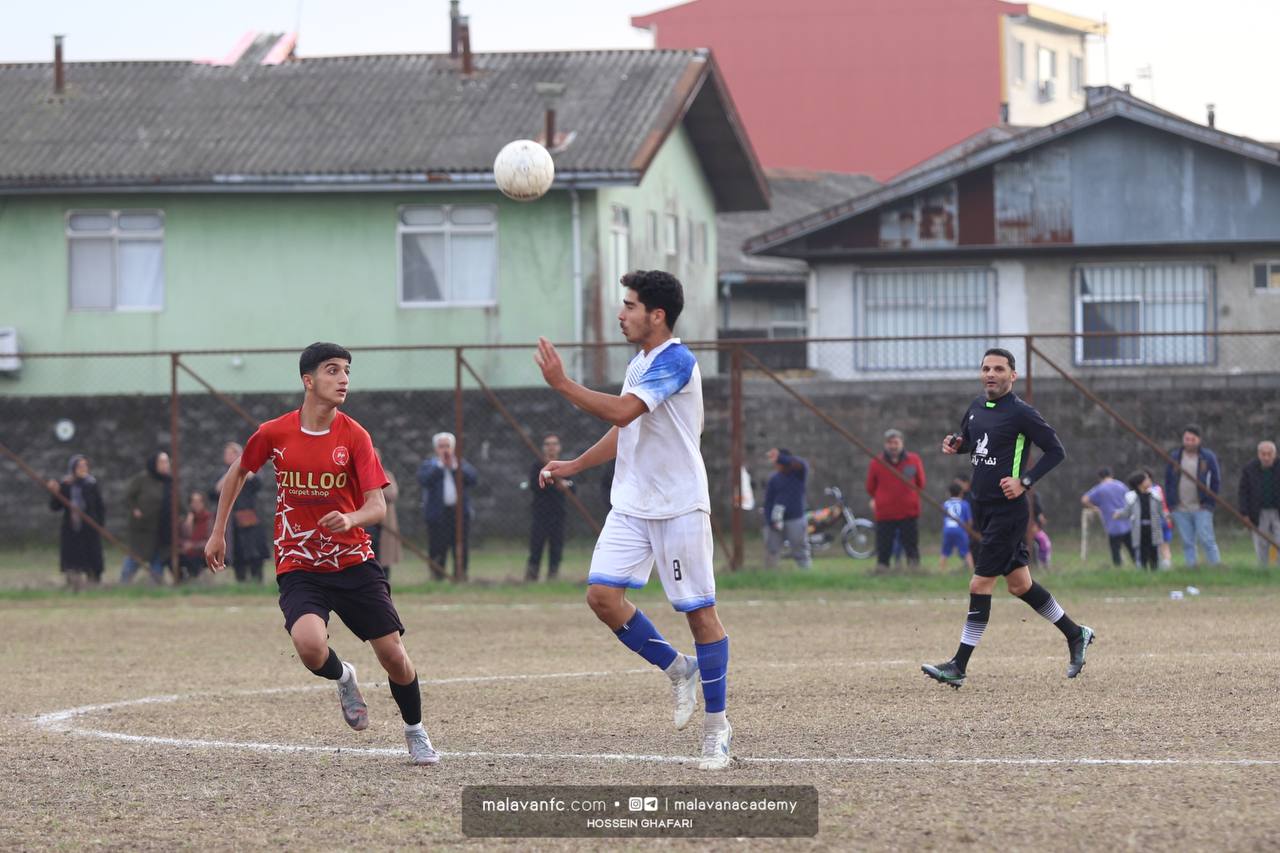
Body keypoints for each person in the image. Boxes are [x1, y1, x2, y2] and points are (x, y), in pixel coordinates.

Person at [534, 269, 733, 771]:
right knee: (602, 596)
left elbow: (622, 412)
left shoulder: (676, 361)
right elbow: (629, 430)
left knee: (699, 614)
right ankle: (677, 668)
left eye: (629, 306)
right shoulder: (640, 363)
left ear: (656, 314)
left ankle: (717, 729)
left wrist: (561, 384)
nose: (621, 315)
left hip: (679, 505)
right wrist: (575, 464)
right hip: (631, 503)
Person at [205, 342, 441, 766]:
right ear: (308, 380)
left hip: (353, 563)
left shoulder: (355, 435)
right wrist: (217, 531)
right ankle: (344, 675)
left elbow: (377, 505)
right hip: (299, 565)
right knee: (310, 646)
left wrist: (350, 520)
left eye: (347, 370)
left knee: (394, 657)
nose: (344, 379)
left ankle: (415, 730)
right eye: (333, 370)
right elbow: (239, 471)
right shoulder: (275, 432)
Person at [923, 348, 1093, 688]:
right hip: (982, 507)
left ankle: (958, 665)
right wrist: (957, 445)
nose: (991, 373)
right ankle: (1076, 633)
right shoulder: (975, 407)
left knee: (979, 584)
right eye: (986, 367)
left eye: (999, 369)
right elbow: (975, 444)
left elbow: (1056, 450)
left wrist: (1025, 481)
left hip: (1008, 511)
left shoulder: (1021, 413)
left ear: (1012, 376)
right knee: (1020, 585)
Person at [417, 432, 478, 581]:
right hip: (438, 513)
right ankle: (438, 574)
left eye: (448, 446)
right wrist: (440, 467)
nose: (445, 450)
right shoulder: (430, 465)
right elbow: (424, 480)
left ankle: (461, 574)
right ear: (436, 449)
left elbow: (473, 479)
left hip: (458, 513)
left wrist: (454, 468)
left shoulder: (461, 464)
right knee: (437, 545)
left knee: (460, 545)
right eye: (441, 446)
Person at [865, 428, 925, 572]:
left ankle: (914, 568)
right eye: (890, 443)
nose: (893, 446)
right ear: (885, 444)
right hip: (885, 513)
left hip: (908, 511)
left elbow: (921, 483)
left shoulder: (914, 460)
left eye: (896, 442)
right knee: (884, 544)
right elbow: (870, 486)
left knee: (911, 543)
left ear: (902, 443)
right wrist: (881, 499)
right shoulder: (876, 462)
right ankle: (882, 569)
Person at [1163, 425, 1222, 567]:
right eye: (1186, 439)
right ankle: (1191, 567)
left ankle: (1215, 566)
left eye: (1192, 439)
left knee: (1206, 539)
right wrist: (1172, 504)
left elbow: (1215, 480)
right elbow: (1168, 480)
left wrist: (1209, 502)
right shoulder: (1175, 457)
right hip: (1180, 507)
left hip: (1201, 506)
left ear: (1199, 440)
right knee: (1187, 541)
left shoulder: (1207, 457)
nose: (1189, 442)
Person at [212, 441, 269, 583]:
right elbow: (215, 491)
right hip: (232, 520)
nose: (229, 456)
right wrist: (231, 471)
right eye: (227, 454)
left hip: (251, 518)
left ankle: (257, 580)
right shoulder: (221, 473)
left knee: (255, 551)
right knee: (238, 552)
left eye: (233, 454)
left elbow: (257, 483)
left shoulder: (251, 470)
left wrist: (242, 465)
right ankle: (241, 580)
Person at [46, 454, 105, 589]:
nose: (83, 468)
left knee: (93, 557)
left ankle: (94, 582)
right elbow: (55, 507)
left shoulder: (91, 484)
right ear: (73, 468)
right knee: (73, 559)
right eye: (79, 466)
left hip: (90, 528)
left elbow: (100, 507)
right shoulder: (66, 485)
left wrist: (99, 525)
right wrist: (55, 493)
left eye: (85, 466)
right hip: (72, 528)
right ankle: (74, 584)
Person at [526, 433, 574, 581]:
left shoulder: (565, 465)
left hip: (558, 511)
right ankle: (532, 575)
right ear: (543, 447)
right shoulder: (538, 465)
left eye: (554, 444)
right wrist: (554, 484)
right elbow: (534, 485)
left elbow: (573, 486)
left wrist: (566, 485)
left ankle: (553, 574)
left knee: (556, 544)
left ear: (559, 447)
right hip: (540, 512)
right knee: (537, 543)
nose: (551, 447)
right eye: (547, 444)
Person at [120, 451, 171, 585]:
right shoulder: (142, 479)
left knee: (157, 557)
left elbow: (176, 502)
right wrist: (135, 510)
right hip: (142, 529)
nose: (165, 465)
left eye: (166, 462)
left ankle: (156, 584)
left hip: (161, 529)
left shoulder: (169, 482)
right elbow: (128, 497)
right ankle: (124, 583)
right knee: (135, 556)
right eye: (162, 462)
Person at [762, 447, 811, 570]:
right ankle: (770, 574)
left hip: (795, 518)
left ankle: (805, 573)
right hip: (776, 519)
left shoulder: (799, 474)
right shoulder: (774, 479)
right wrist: (770, 520)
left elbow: (801, 463)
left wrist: (780, 457)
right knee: (772, 549)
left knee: (800, 549)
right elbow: (768, 502)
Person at [1238, 440, 1280, 566]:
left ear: (1275, 454)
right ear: (1258, 454)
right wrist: (1244, 513)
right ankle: (1263, 570)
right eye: (1263, 454)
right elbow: (1243, 492)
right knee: (1261, 543)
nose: (1266, 457)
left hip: (1278, 512)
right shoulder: (1249, 469)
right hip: (1258, 513)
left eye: (1269, 454)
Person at [1082, 467, 1134, 566]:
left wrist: (1095, 507)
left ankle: (1118, 569)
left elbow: (1084, 499)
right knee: (1132, 548)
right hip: (1126, 523)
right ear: (1111, 475)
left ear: (1099, 478)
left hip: (1112, 525)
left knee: (1115, 550)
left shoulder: (1099, 488)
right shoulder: (1120, 485)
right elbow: (1130, 498)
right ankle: (1139, 565)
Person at [366, 448, 403, 581]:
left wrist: (376, 483)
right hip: (365, 521)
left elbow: (392, 494)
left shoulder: (386, 475)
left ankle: (384, 581)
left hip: (384, 523)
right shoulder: (357, 474)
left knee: (384, 556)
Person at [1117, 471, 1166, 571]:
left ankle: (1155, 570)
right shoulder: (1132, 497)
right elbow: (1127, 512)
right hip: (1139, 528)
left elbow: (1161, 511)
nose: (1149, 481)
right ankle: (1142, 571)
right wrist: (1118, 514)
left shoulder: (1155, 496)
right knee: (1141, 551)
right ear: (1139, 483)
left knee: (1154, 550)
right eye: (1146, 479)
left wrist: (1167, 517)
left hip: (1153, 527)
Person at [939, 481, 974, 573]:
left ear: (949, 493)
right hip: (960, 530)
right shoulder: (964, 504)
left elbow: (944, 517)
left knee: (945, 551)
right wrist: (968, 530)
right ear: (961, 493)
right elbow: (969, 521)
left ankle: (942, 570)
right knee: (966, 551)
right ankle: (971, 570)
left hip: (948, 529)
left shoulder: (945, 504)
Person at [179, 491, 213, 581]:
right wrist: (188, 524)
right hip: (188, 552)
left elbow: (210, 540)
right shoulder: (187, 519)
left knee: (194, 561)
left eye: (199, 502)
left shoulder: (209, 519)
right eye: (193, 502)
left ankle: (193, 581)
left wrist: (194, 546)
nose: (196, 505)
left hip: (202, 553)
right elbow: (183, 537)